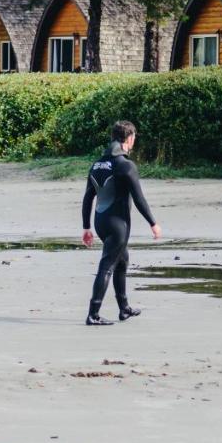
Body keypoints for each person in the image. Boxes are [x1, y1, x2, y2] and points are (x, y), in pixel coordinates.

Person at [82, 121, 161, 326]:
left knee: (122, 260)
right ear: (130, 138)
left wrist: (86, 227)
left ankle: (124, 308)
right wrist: (153, 223)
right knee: (107, 266)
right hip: (118, 224)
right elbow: (139, 198)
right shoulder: (126, 165)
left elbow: (88, 198)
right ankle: (93, 314)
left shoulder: (97, 164)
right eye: (134, 137)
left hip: (100, 222)